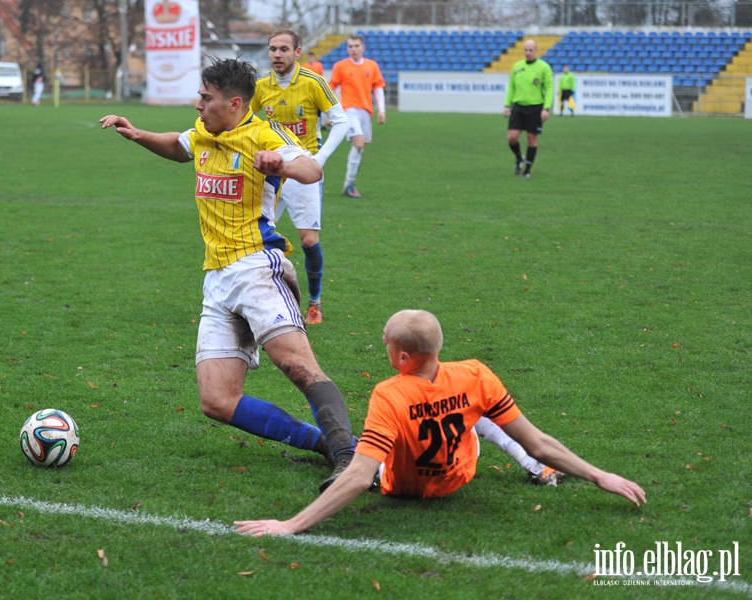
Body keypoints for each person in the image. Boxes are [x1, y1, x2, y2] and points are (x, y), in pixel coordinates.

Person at [99, 58, 357, 492]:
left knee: (295, 363)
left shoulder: (262, 134)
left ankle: (349, 456)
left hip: (258, 264)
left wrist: (280, 164)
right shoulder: (205, 132)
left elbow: (312, 170)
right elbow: (179, 146)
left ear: (234, 103)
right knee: (217, 400)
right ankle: (326, 445)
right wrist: (137, 133)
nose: (197, 104)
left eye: (206, 98)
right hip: (216, 278)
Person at [235, 309, 647, 536]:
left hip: (400, 487)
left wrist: (290, 524)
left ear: (401, 358)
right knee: (478, 411)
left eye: (387, 344)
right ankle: (535, 471)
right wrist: (600, 475)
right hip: (459, 475)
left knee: (375, 446)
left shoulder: (390, 392)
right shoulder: (475, 374)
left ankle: (330, 442)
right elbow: (538, 440)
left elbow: (360, 477)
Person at [251, 29, 350, 326]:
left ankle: (314, 302)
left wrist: (317, 159)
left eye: (283, 49)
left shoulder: (313, 82)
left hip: (303, 172)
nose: (276, 55)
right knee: (257, 239)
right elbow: (244, 121)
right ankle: (262, 301)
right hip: (271, 174)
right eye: (272, 49)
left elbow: (342, 120)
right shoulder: (259, 87)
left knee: (308, 241)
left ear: (297, 52)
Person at [329, 34, 386, 198]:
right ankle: (349, 184)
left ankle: (349, 184)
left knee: (359, 149)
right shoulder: (340, 66)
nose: (353, 49)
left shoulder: (372, 65)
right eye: (350, 46)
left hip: (365, 111)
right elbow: (331, 88)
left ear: (363, 48)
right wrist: (329, 112)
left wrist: (382, 110)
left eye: (356, 46)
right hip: (348, 110)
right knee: (359, 144)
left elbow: (378, 88)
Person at [503, 39, 554, 179]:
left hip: (535, 108)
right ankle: (519, 158)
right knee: (511, 137)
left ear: (536, 50)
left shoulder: (544, 67)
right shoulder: (517, 66)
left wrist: (546, 108)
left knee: (531, 138)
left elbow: (549, 89)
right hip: (518, 107)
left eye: (531, 50)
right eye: (525, 50)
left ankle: (527, 170)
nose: (528, 53)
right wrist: (507, 105)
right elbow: (512, 87)